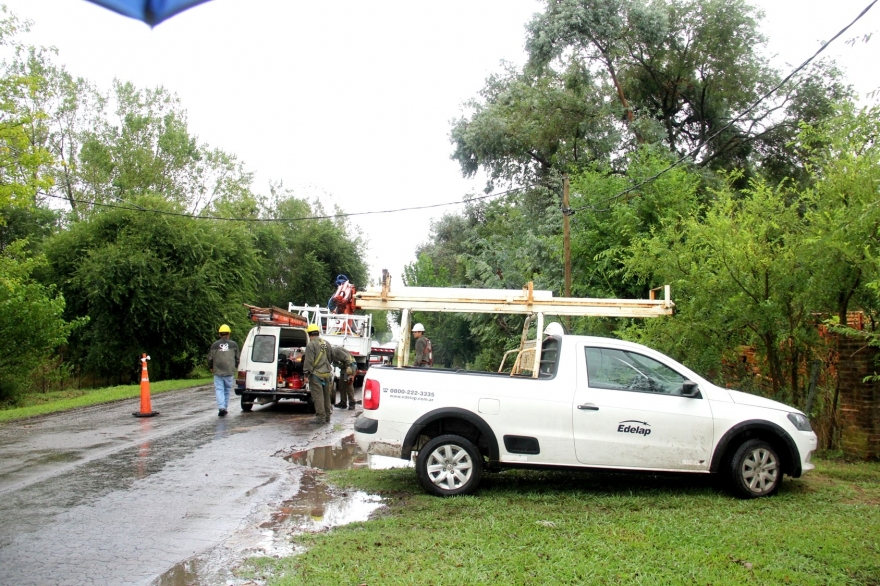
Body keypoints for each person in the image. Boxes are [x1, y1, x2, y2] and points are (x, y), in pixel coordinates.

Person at [303, 323, 334, 424]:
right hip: (327, 374)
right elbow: (331, 358)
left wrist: (306, 375)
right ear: (318, 333)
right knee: (326, 396)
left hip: (316, 375)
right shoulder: (326, 343)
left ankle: (320, 418)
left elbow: (308, 361)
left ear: (309, 334)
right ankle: (327, 417)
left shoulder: (311, 345)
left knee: (318, 397)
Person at [208, 324, 240, 417]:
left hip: (218, 371)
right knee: (227, 390)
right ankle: (224, 407)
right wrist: (235, 366)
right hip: (229, 371)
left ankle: (221, 407)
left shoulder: (214, 345)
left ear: (219, 334)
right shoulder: (234, 344)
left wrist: (211, 367)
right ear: (229, 334)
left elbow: (210, 358)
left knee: (219, 389)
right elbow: (237, 357)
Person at [330, 345, 358, 410]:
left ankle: (352, 403)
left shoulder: (336, 351)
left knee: (348, 385)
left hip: (349, 369)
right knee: (342, 385)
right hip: (344, 370)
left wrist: (349, 373)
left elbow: (347, 359)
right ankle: (343, 402)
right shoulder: (332, 352)